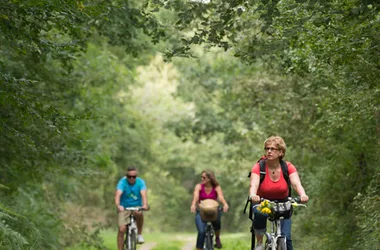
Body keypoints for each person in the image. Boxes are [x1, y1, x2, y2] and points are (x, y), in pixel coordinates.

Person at [249, 136, 309, 250]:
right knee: (260, 213)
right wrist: (253, 195)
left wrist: (303, 195)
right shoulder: (259, 167)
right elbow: (254, 185)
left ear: (281, 152)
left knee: (287, 238)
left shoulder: (288, 167)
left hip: (283, 203)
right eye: (267, 149)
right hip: (262, 201)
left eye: (273, 149)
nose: (269, 151)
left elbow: (296, 184)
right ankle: (260, 242)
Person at [190, 170, 229, 250]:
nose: (202, 179)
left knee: (217, 221)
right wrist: (193, 205)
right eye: (201, 177)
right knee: (201, 232)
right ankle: (199, 248)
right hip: (201, 212)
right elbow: (196, 197)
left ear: (210, 178)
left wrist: (225, 204)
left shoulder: (216, 187)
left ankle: (217, 238)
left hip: (213, 211)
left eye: (204, 177)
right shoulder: (199, 186)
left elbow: (220, 197)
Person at [115, 166, 149, 250]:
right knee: (122, 229)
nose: (131, 178)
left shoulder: (140, 182)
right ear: (126, 176)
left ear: (136, 176)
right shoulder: (122, 183)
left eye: (133, 176)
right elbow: (118, 195)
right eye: (129, 176)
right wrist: (118, 205)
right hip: (124, 207)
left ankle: (139, 235)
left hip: (136, 206)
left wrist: (145, 205)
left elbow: (143, 195)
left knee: (139, 213)